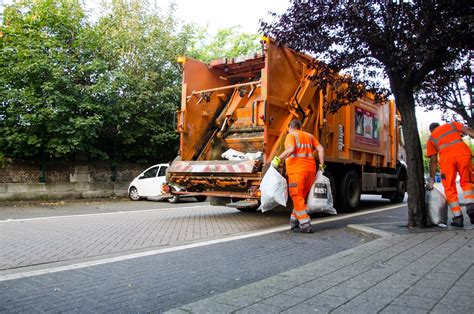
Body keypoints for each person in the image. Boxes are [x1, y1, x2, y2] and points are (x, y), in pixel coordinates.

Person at [271, 119, 325, 233]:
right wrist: (321, 165)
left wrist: (277, 159)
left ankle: (305, 224)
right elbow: (321, 149)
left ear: (290, 128)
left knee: (296, 196)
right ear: (300, 127)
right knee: (300, 197)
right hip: (311, 170)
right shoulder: (309, 136)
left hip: (297, 171)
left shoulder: (291, 136)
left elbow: (291, 150)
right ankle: (294, 222)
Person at [426, 121, 474, 227]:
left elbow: (433, 161)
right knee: (467, 182)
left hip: (447, 161)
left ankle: (458, 218)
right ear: (440, 126)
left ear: (431, 131)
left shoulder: (431, 139)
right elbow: (468, 131)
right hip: (463, 155)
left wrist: (431, 179)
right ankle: (471, 206)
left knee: (449, 188)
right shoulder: (452, 125)